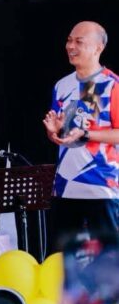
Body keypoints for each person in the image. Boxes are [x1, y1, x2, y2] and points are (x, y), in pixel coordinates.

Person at [43, 21, 118, 250]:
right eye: (69, 41)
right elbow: (62, 134)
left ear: (98, 48)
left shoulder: (112, 85)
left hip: (102, 186)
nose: (70, 46)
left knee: (109, 259)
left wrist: (86, 133)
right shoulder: (62, 85)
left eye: (78, 42)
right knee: (61, 259)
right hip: (65, 186)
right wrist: (54, 131)